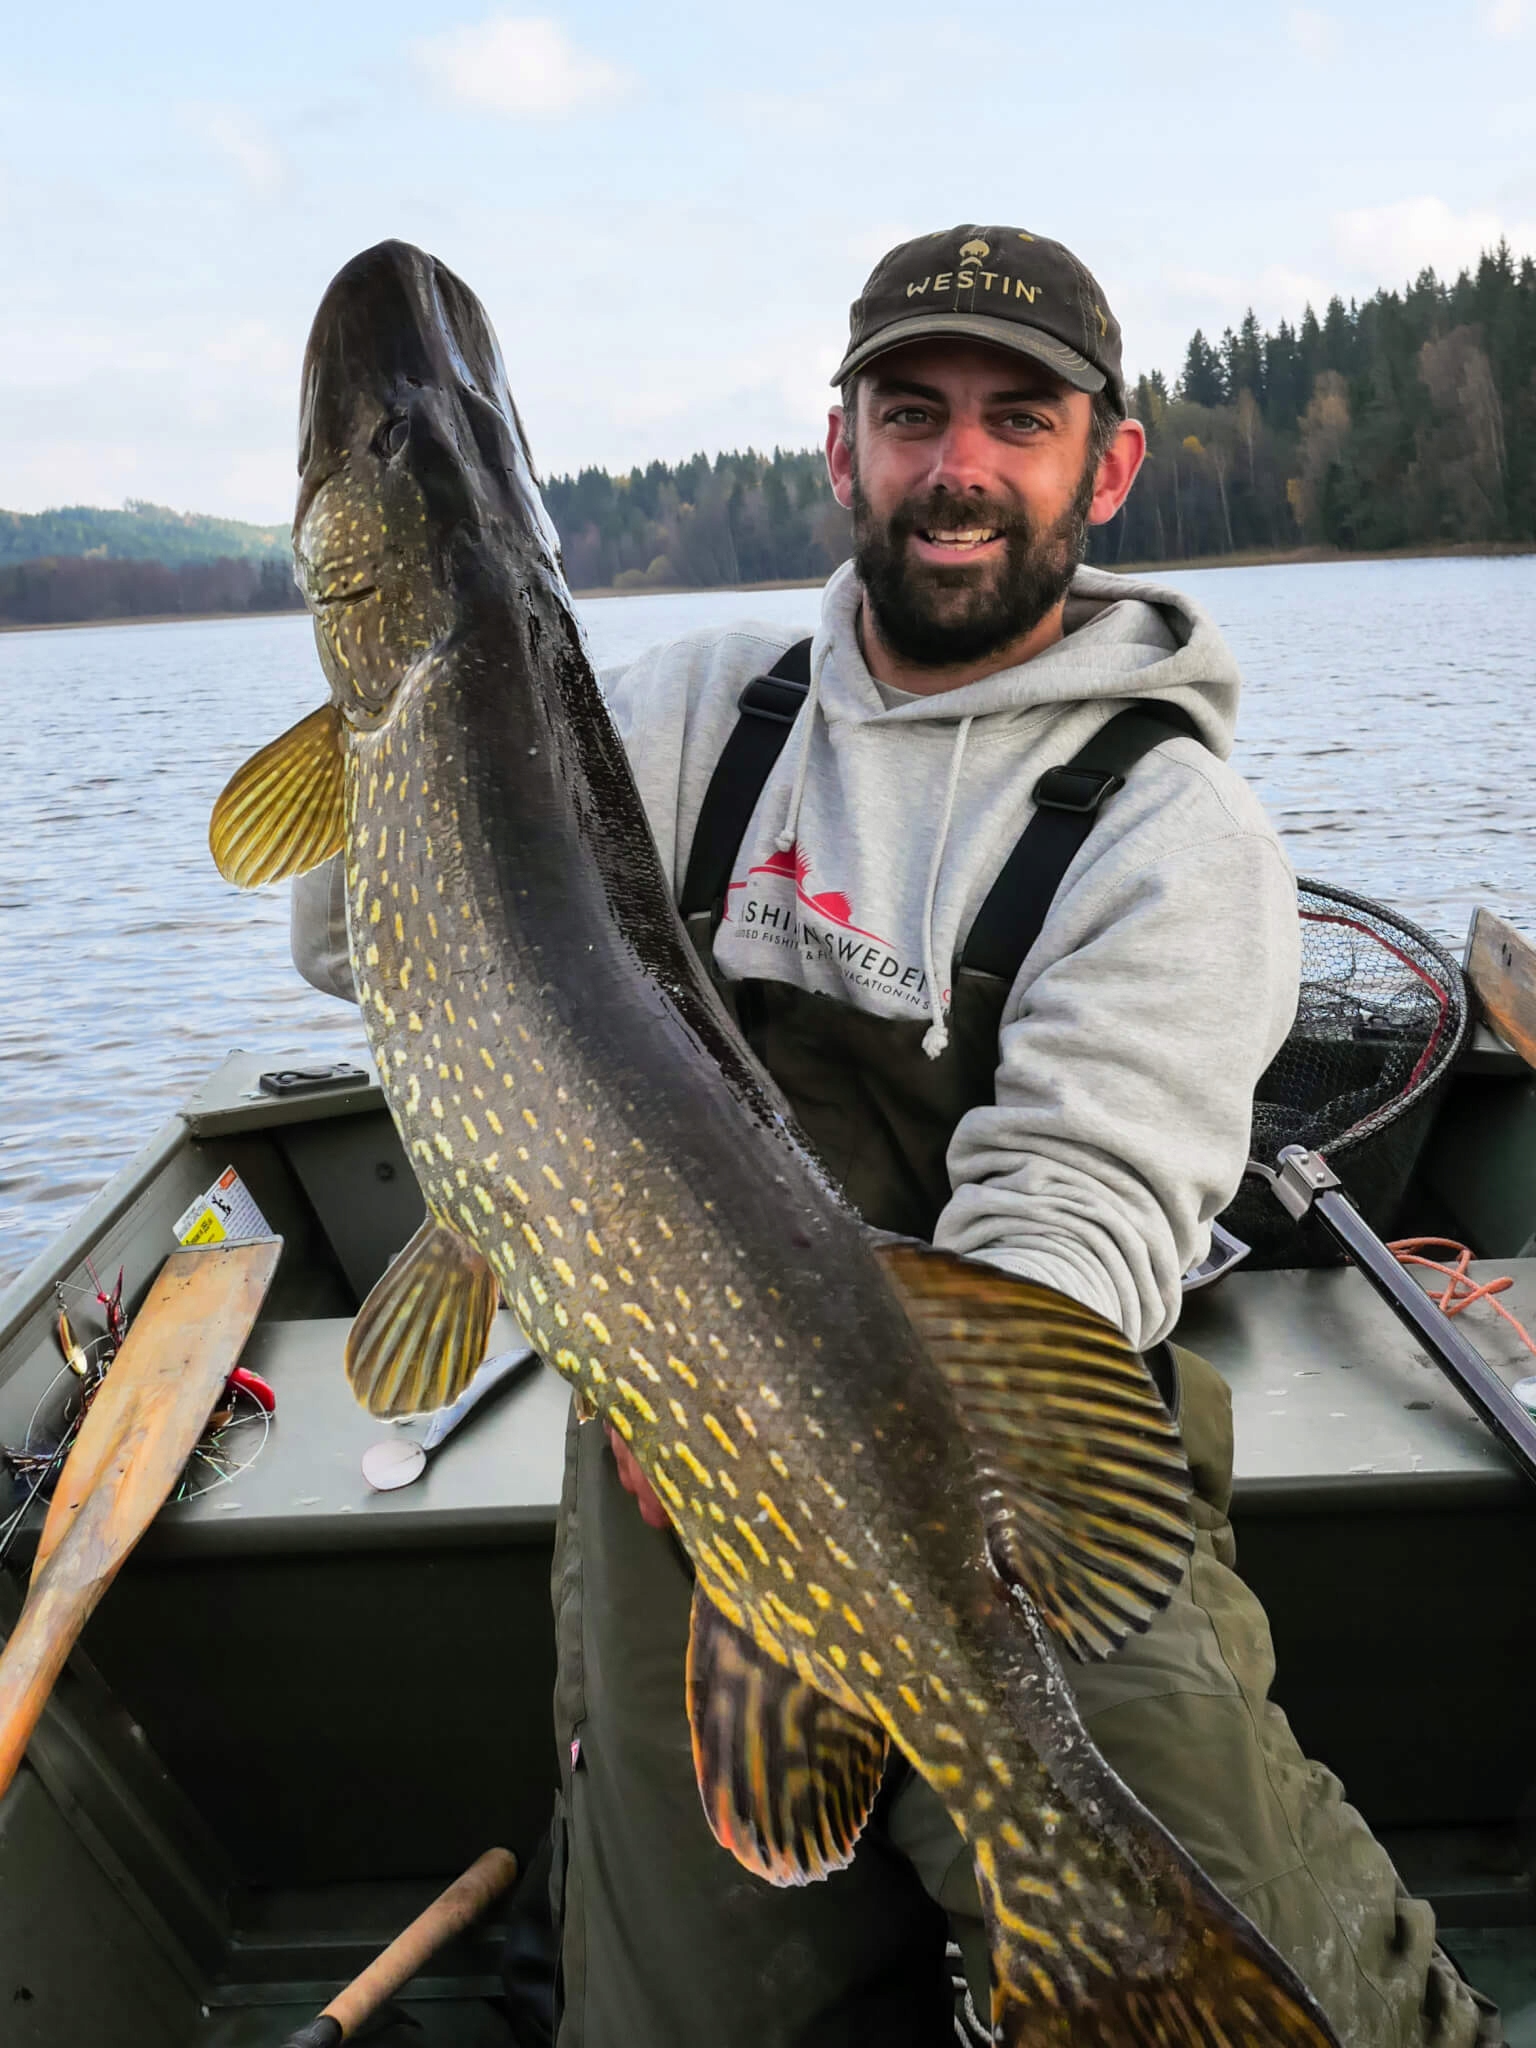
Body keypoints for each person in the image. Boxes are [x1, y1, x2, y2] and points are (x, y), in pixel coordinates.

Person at [293, 225, 1498, 2048]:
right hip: (673, 1442)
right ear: (843, 447)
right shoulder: (692, 711)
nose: (960, 466)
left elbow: (1083, 1209)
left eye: (1020, 420)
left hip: (1009, 1477)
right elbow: (355, 949)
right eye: (913, 412)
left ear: (1108, 464)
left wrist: (809, 1440)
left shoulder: (1172, 831)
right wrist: (398, 719)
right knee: (676, 2015)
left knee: (1223, 1904)